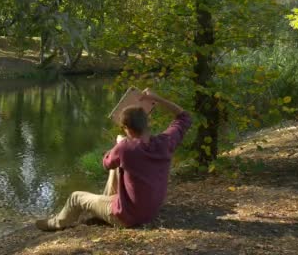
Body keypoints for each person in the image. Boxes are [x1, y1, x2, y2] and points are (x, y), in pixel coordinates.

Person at [35, 88, 192, 231]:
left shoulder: (125, 148)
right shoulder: (166, 142)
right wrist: (157, 98)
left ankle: (55, 224)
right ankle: (101, 209)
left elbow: (106, 163)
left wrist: (118, 144)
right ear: (147, 123)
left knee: (76, 197)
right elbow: (184, 117)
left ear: (127, 129)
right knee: (119, 168)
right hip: (150, 210)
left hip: (127, 217)